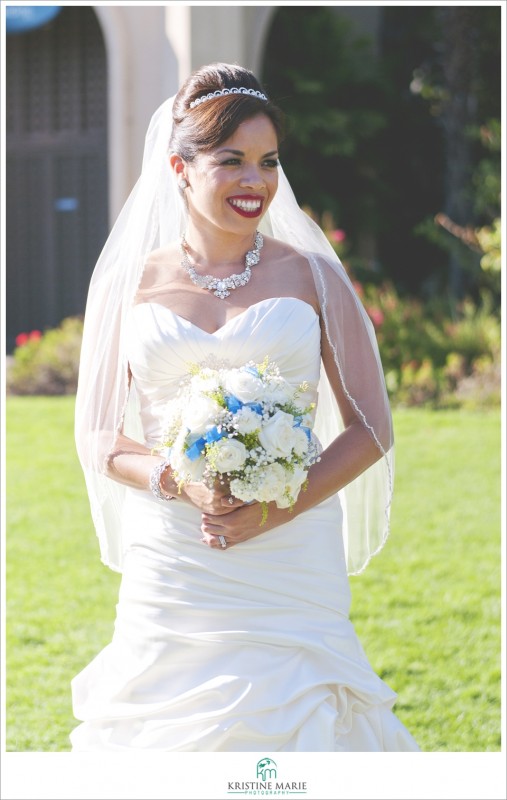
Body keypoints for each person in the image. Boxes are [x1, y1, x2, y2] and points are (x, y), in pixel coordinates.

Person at [71, 62, 419, 751]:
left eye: (267, 162)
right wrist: (177, 479)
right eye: (231, 161)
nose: (255, 181)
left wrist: (274, 507)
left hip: (291, 556)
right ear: (180, 166)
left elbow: (370, 428)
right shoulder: (130, 285)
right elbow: (98, 437)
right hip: (176, 556)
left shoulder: (312, 275)